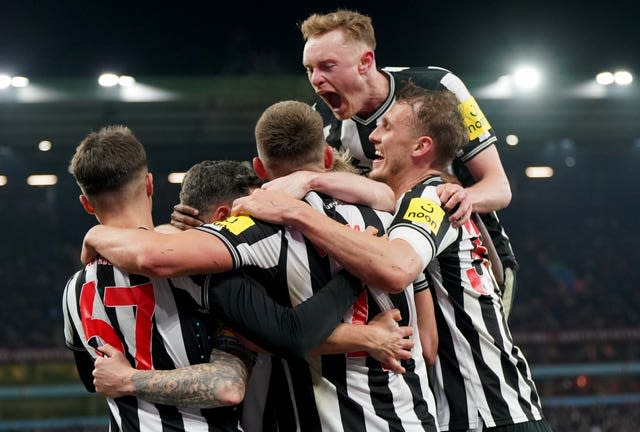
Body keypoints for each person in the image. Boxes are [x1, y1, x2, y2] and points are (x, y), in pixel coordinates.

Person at [81, 101, 440, 431]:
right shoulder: (397, 217)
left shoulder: (253, 232)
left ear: (259, 169)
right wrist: (364, 334)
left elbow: (156, 258)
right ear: (329, 157)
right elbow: (426, 344)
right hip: (411, 416)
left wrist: (97, 234)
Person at [232, 82, 552, 432]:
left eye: (386, 127)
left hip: (485, 414)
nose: (373, 137)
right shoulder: (425, 196)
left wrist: (297, 212)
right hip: (493, 410)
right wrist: (311, 180)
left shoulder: (430, 197)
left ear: (421, 146)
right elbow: (382, 196)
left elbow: (395, 268)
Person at [299, 9, 519, 319]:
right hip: (404, 267)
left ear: (365, 62)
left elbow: (499, 187)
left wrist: (466, 196)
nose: (316, 80)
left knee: (476, 360)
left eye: (328, 66)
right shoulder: (321, 124)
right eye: (310, 69)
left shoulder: (440, 86)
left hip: (473, 261)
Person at [62, 126, 253, 431]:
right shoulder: (194, 266)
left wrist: (129, 378)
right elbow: (227, 386)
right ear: (150, 184)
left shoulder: (73, 291)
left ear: (86, 203)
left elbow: (95, 380)